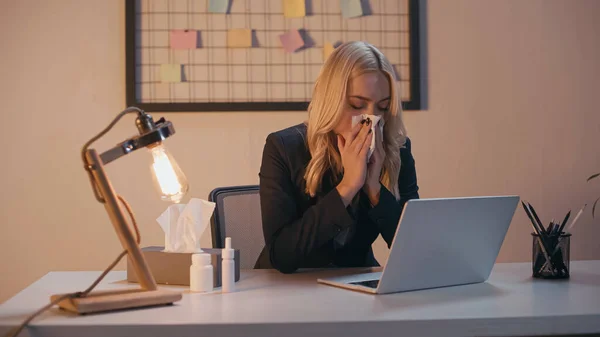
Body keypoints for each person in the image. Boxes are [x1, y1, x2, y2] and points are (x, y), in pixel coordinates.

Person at [254, 41, 419, 273]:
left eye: (382, 107)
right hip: (289, 286)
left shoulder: (395, 150)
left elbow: (415, 249)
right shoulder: (284, 147)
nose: (370, 118)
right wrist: (349, 186)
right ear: (330, 99)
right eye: (357, 104)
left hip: (355, 282)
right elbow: (282, 255)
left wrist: (375, 190)